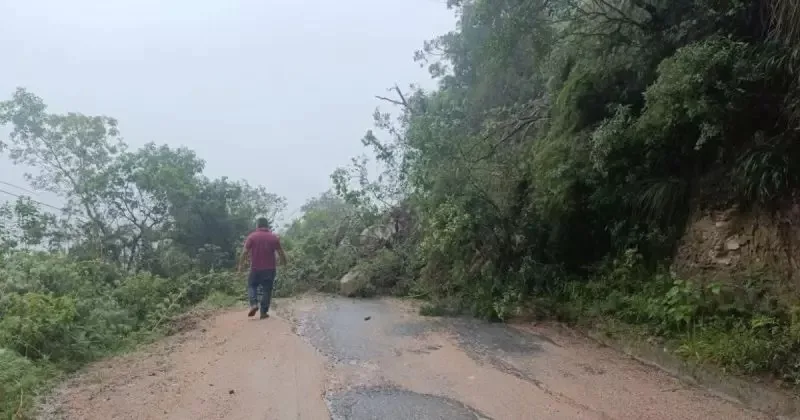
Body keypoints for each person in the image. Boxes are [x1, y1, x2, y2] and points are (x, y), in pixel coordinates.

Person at [238, 217, 287, 319]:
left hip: (255, 268)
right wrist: (284, 263)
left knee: (252, 285)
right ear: (267, 225)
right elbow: (281, 253)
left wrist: (240, 266)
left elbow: (244, 252)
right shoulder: (273, 237)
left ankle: (254, 304)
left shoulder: (252, 237)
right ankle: (263, 313)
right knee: (267, 290)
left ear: (257, 225)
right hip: (270, 269)